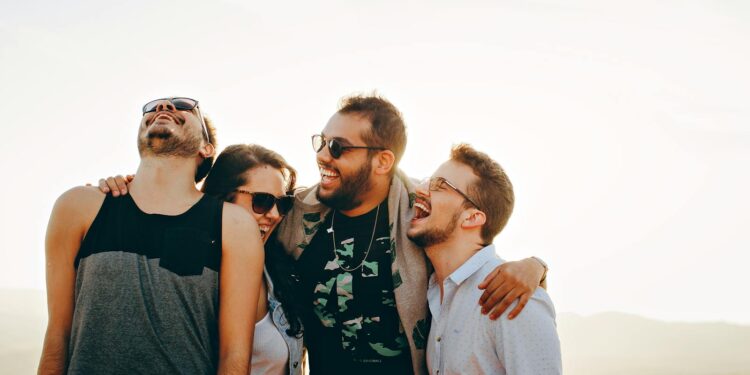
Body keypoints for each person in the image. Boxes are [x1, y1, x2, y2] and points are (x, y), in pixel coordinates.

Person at [276, 94, 549, 375]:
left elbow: (473, 242)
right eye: (321, 142)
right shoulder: (294, 215)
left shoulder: (419, 213)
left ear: (383, 161)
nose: (321, 155)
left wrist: (534, 266)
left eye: (336, 147)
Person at [38, 98, 264, 374]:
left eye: (183, 106)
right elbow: (58, 336)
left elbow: (234, 357)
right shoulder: (77, 207)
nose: (164, 107)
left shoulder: (233, 225)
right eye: (153, 107)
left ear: (207, 148)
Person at [408, 144, 562, 375]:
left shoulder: (514, 299)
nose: (421, 189)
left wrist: (538, 265)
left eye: (439, 185)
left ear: (472, 218)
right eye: (428, 180)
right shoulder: (433, 293)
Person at [201, 144, 305, 375]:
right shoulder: (195, 275)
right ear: (223, 199)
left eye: (283, 203)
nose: (276, 214)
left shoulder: (276, 268)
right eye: (262, 201)